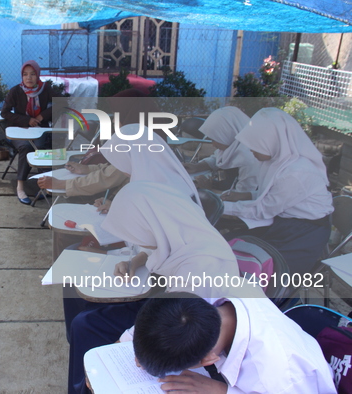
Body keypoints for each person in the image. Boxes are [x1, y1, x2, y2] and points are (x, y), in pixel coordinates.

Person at [66, 182, 240, 393]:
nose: (133, 239)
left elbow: (176, 324)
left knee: (87, 324)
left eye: (136, 233)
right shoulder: (179, 230)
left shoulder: (200, 268)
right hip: (168, 309)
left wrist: (130, 343)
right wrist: (134, 263)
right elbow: (152, 251)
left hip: (184, 329)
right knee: (86, 321)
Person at [130, 292, 336, 393]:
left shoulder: (280, 377)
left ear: (208, 359)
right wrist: (148, 347)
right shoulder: (207, 297)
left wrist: (222, 391)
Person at [222, 108, 334, 275]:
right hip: (284, 222)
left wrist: (221, 207)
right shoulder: (277, 161)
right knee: (229, 244)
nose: (251, 150)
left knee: (261, 269)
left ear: (271, 142)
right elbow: (276, 196)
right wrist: (246, 195)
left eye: (255, 146)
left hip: (303, 233)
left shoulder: (296, 172)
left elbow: (263, 210)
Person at [0, 60, 61, 205]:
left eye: (33, 74)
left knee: (40, 147)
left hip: (39, 130)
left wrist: (42, 116)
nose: (29, 78)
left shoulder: (45, 89)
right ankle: (20, 186)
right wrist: (26, 120)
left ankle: (45, 186)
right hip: (19, 130)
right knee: (26, 147)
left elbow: (62, 102)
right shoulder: (16, 91)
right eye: (25, 74)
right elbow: (5, 113)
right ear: (22, 76)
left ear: (38, 75)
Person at [183, 106, 260, 193]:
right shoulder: (233, 145)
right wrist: (197, 167)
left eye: (215, 139)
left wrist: (209, 190)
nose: (213, 144)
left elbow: (242, 197)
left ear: (227, 134)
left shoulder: (249, 158)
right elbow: (217, 158)